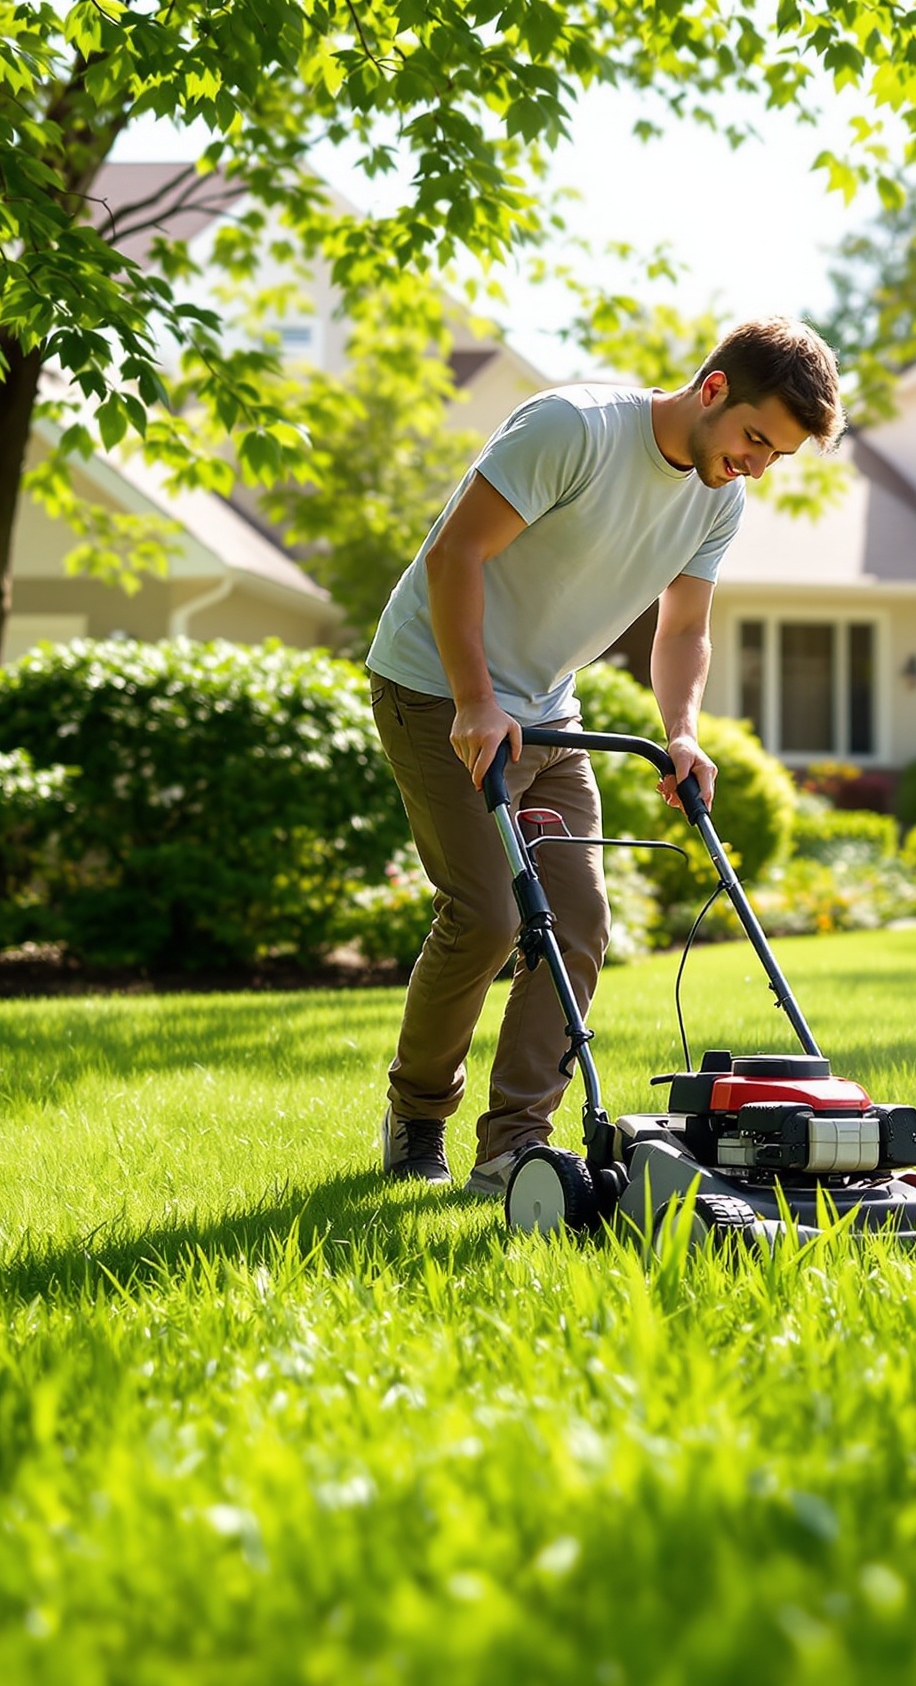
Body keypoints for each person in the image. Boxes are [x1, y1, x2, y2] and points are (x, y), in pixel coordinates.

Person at [363, 317, 844, 1190]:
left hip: (549, 712)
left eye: (778, 455)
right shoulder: (572, 429)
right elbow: (454, 553)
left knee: (580, 926)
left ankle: (513, 1148)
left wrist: (682, 731)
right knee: (488, 918)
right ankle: (417, 1116)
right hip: (437, 690)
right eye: (755, 439)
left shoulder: (717, 499)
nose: (757, 465)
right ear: (712, 390)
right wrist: (475, 701)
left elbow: (685, 628)